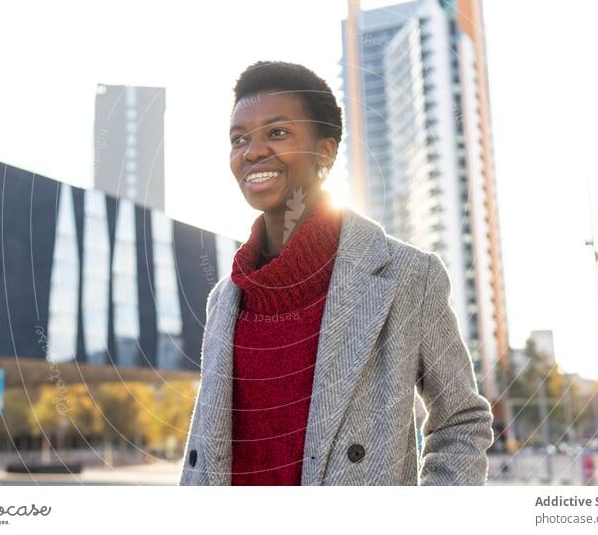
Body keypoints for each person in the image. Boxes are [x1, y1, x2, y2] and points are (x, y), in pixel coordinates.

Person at [178, 60, 494, 486]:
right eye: (239, 139)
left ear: (325, 150)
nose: (251, 151)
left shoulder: (407, 278)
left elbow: (461, 419)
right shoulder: (226, 297)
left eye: (277, 132)